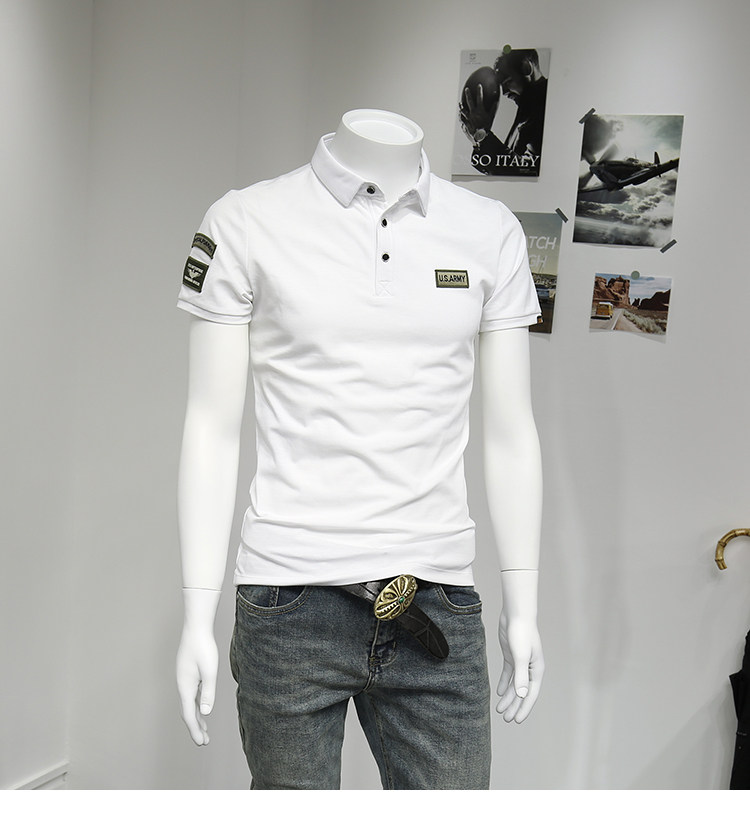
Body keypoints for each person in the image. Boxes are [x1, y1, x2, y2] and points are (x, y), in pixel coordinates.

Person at [175, 109, 544, 790]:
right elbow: (211, 426)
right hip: (289, 598)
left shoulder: (490, 231)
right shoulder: (245, 221)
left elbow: (511, 430)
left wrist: (523, 604)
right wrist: (197, 611)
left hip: (435, 599)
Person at [460, 48, 548, 176]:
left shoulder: (544, 107)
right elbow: (506, 167)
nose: (505, 92)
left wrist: (484, 137)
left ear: (526, 67)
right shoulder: (528, 109)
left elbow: (527, 171)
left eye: (507, 82)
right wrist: (477, 139)